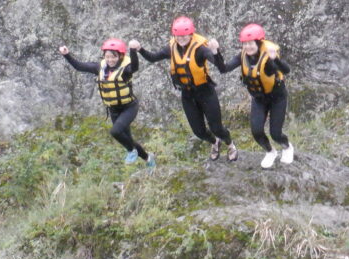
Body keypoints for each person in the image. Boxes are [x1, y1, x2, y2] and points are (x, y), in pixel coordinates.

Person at [132, 16, 238, 161]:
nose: (181, 38)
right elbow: (153, 58)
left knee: (216, 128)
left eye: (184, 35)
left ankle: (230, 143)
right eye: (178, 35)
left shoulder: (201, 49)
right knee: (199, 132)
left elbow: (220, 67)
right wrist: (140, 49)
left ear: (191, 34)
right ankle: (215, 142)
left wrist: (215, 52)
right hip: (187, 95)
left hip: (205, 92)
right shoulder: (171, 47)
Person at [58, 39, 155, 167]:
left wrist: (132, 51)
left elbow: (135, 67)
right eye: (107, 56)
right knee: (128, 139)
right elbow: (79, 66)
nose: (110, 60)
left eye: (113, 57)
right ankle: (149, 159)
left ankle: (131, 151)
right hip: (114, 109)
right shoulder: (100, 68)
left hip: (129, 107)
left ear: (120, 56)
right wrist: (67, 54)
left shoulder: (125, 70)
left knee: (116, 132)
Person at [215, 23, 294, 169]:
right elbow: (224, 69)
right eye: (245, 43)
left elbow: (286, 70)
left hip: (277, 97)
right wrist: (216, 53)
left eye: (250, 43)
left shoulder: (268, 57)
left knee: (275, 133)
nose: (247, 47)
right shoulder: (243, 56)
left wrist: (275, 59)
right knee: (256, 131)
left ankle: (287, 147)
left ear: (258, 42)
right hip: (259, 99)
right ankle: (270, 152)